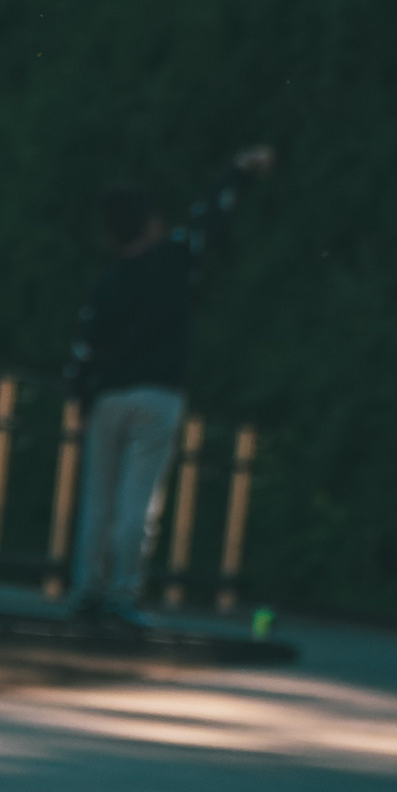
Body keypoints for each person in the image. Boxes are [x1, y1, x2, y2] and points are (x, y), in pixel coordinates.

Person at [66, 146, 273, 616]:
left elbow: (83, 345)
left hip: (106, 397)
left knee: (97, 499)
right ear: (152, 223)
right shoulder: (176, 259)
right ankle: (124, 591)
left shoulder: (108, 281)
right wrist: (239, 170)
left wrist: (81, 395)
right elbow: (210, 221)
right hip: (158, 393)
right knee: (138, 501)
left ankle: (88, 588)